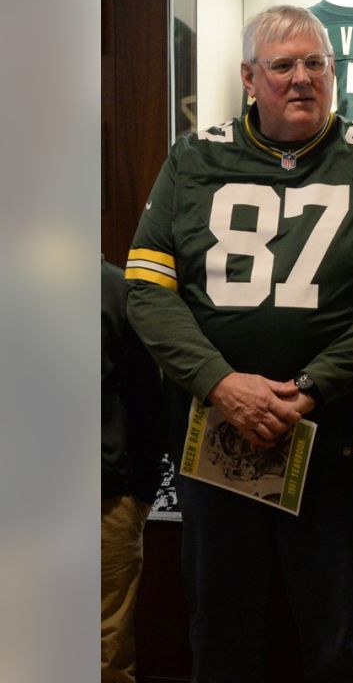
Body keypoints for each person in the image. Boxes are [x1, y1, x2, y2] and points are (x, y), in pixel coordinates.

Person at [124, 5, 353, 682]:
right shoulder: (195, 158)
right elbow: (146, 289)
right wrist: (220, 383)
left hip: (335, 446)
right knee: (222, 632)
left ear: (334, 73)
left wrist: (313, 384)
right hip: (217, 441)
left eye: (315, 64)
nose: (301, 79)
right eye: (282, 65)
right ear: (248, 77)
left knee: (340, 635)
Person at [102, 258, 164, 683]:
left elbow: (148, 399)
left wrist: (140, 491)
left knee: (106, 647)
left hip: (104, 497)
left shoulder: (116, 290)